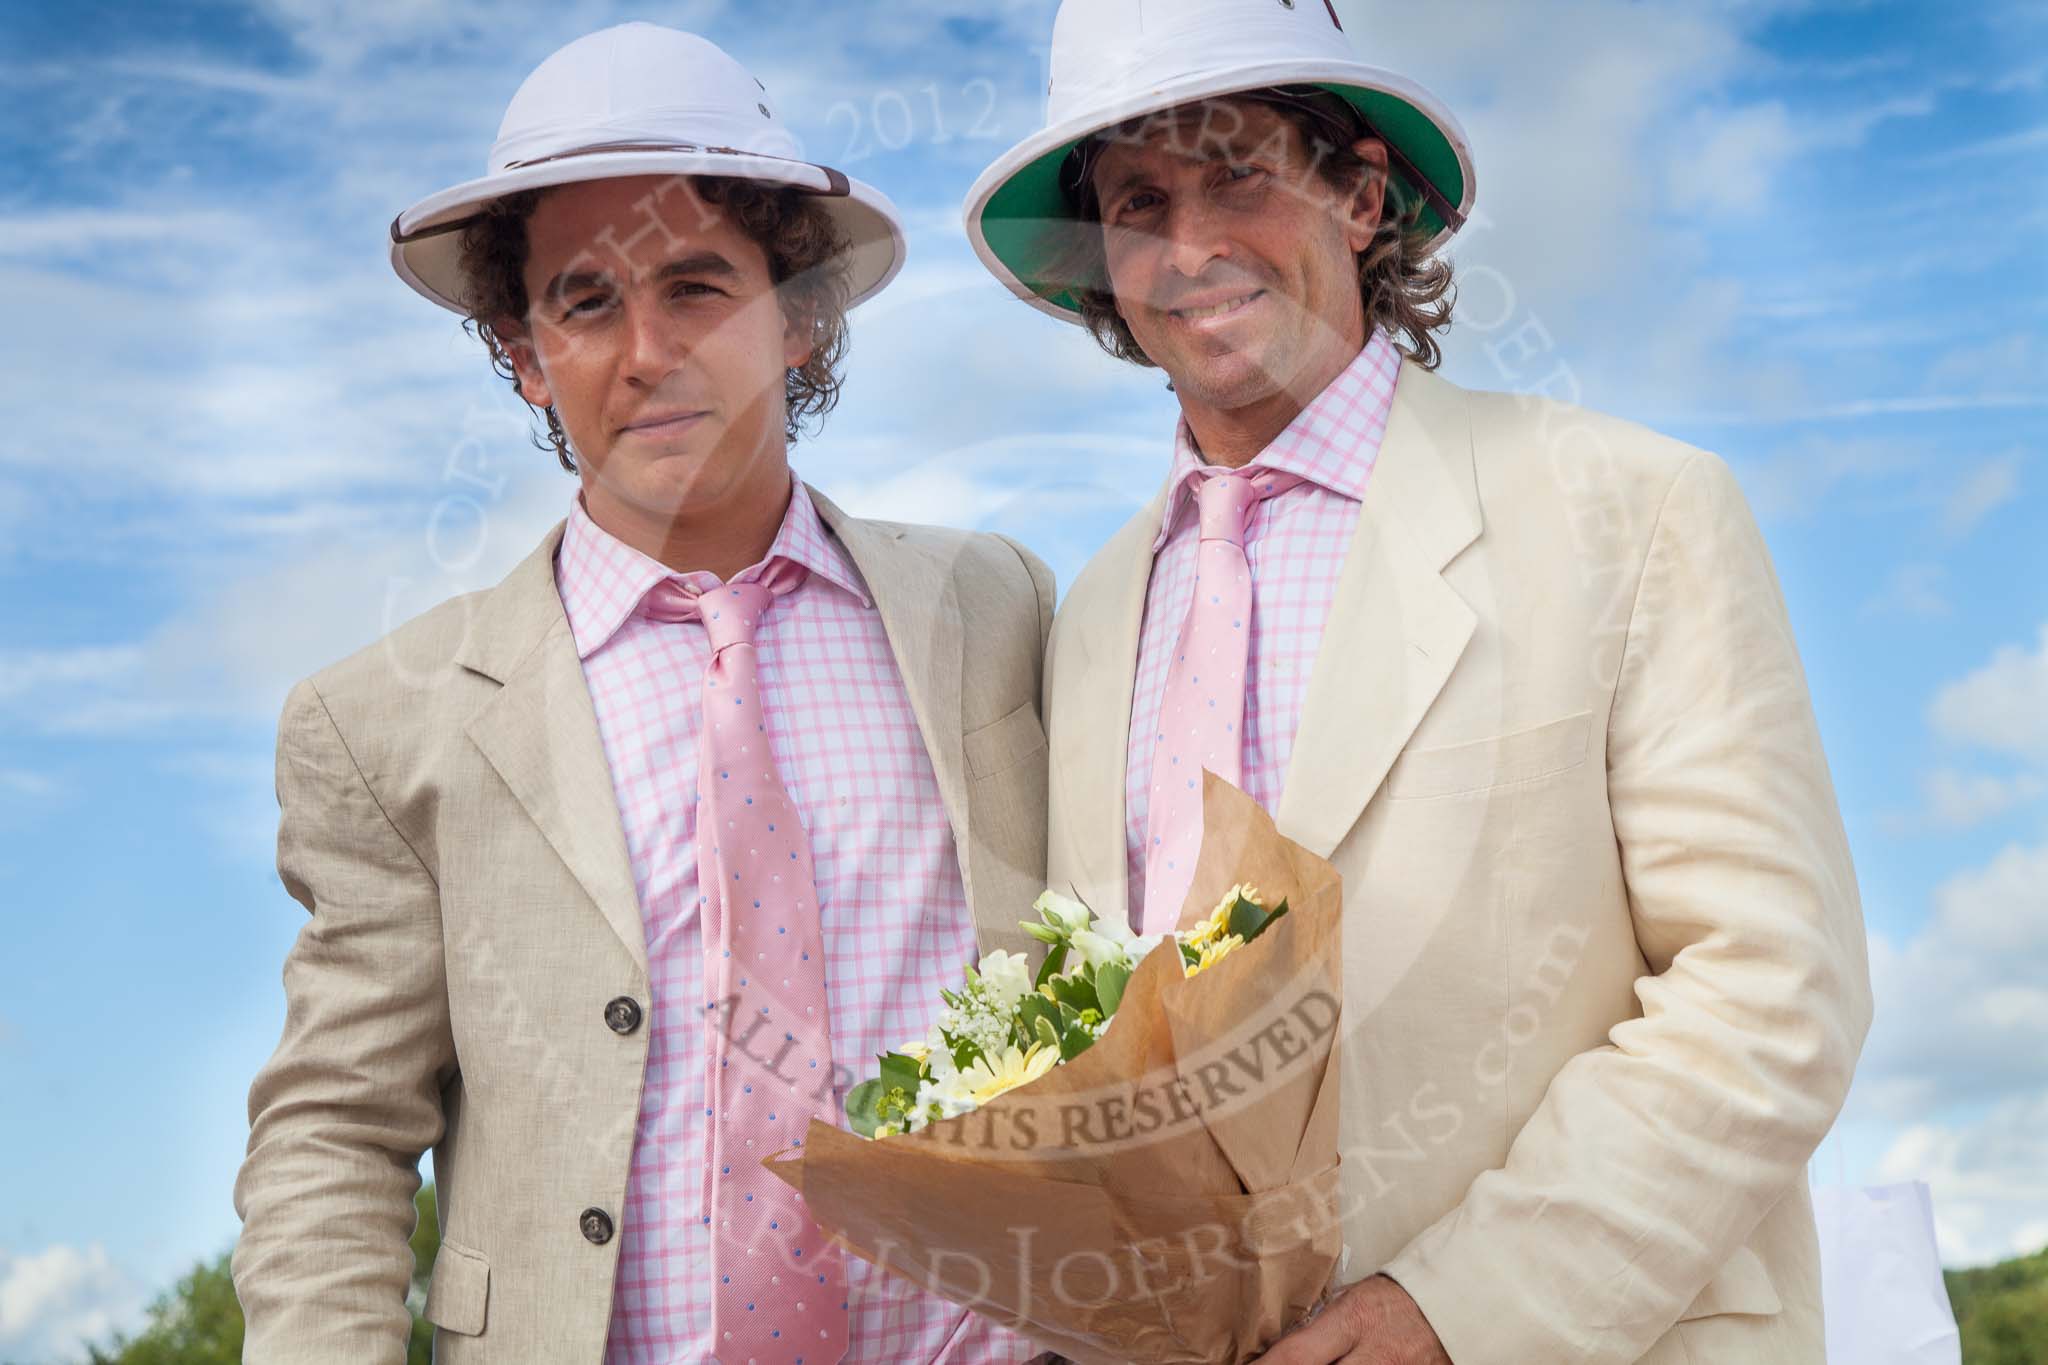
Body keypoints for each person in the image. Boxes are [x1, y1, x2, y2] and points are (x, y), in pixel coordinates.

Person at [965, 2, 1873, 1361]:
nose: (1193, 244)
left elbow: (1771, 989)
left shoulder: (1633, 506)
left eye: (1239, 176)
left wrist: (1458, 1311)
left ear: (1361, 194)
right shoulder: (1088, 615)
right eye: (1140, 201)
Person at [232, 24, 1054, 1364]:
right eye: (585, 300)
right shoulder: (387, 720)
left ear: (798, 315)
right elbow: (336, 1127)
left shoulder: (993, 613)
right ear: (522, 352)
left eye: (696, 287)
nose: (646, 350)